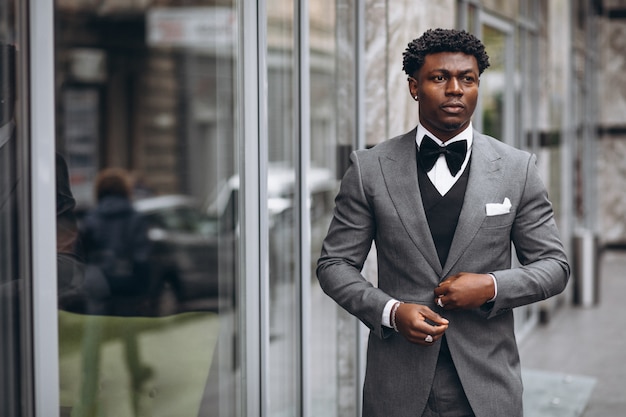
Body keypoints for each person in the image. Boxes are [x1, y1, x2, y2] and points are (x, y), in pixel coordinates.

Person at [316, 28, 570, 417]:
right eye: (439, 78)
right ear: (414, 87)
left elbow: (555, 267)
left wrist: (491, 286)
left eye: (467, 79)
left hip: (486, 386)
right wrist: (390, 311)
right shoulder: (369, 169)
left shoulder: (518, 169)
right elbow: (334, 265)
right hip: (397, 385)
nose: (455, 89)